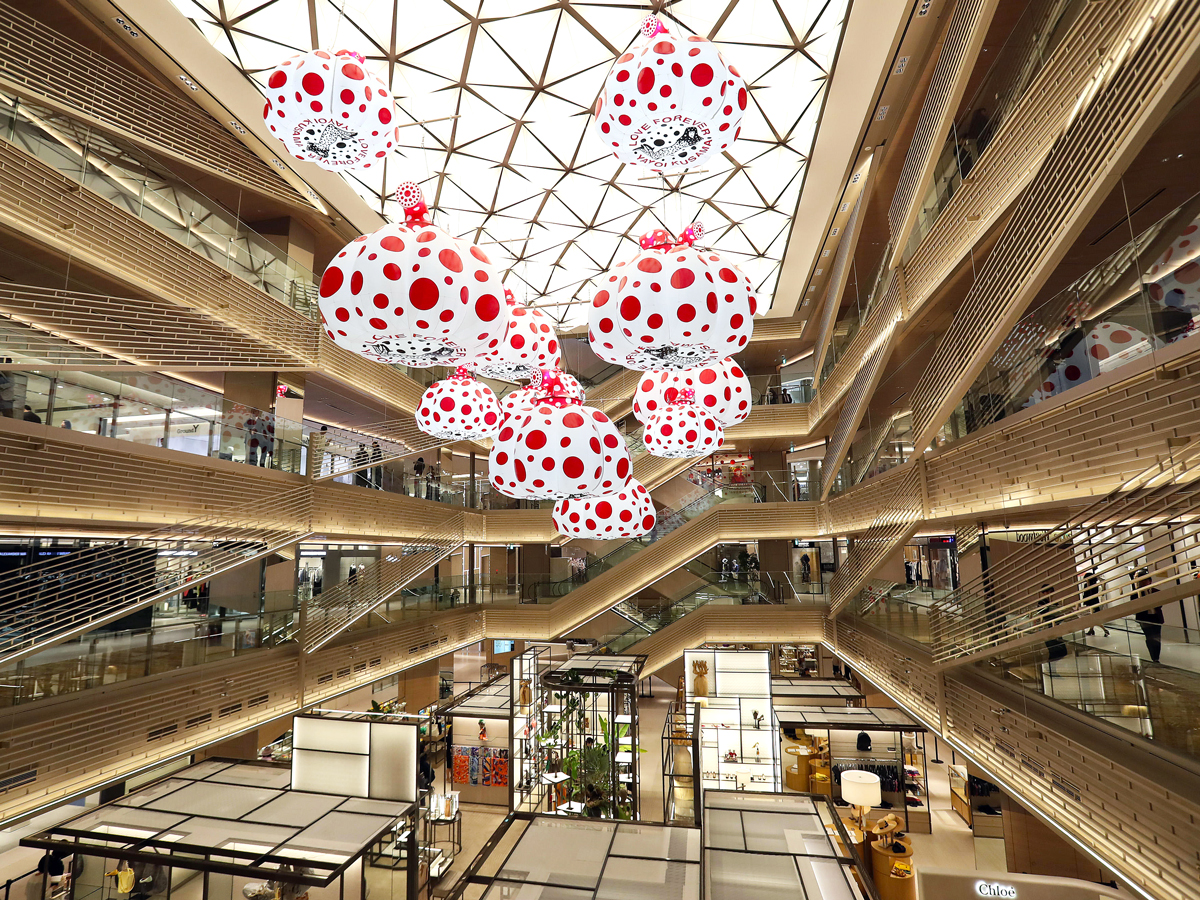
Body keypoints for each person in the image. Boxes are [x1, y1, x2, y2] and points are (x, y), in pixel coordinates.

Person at [1134, 569, 1164, 664]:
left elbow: (1160, 604)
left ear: (1150, 581)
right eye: (1141, 581)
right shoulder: (1136, 594)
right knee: (1150, 637)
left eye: (1145, 581)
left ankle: (1156, 657)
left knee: (1157, 637)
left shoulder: (1156, 592)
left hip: (1156, 617)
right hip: (1144, 619)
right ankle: (1153, 657)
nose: (1143, 583)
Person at [1082, 569, 1109, 637]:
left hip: (1092, 603)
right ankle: (1091, 630)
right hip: (1092, 602)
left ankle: (1104, 630)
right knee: (1093, 618)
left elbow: (1089, 594)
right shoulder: (1091, 585)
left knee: (1094, 618)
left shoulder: (1093, 585)